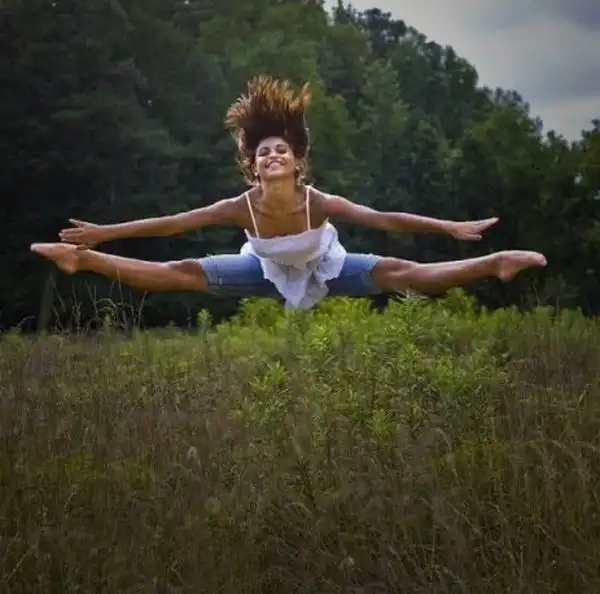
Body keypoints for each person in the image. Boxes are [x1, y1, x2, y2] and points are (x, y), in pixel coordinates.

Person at [31, 75, 546, 309]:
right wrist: (102, 235)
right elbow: (172, 224)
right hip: (265, 270)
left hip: (325, 266)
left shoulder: (317, 203)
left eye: (281, 150)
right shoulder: (241, 208)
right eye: (263, 153)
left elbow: (384, 218)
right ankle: (81, 261)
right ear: (253, 168)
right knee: (180, 273)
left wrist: (448, 227)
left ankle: (496, 262)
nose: (272, 156)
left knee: (399, 273)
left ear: (297, 162)